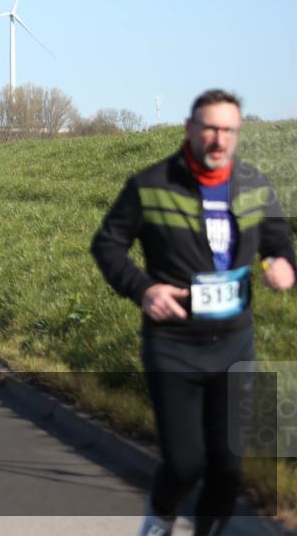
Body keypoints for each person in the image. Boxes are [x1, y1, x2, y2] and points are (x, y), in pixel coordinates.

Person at [91, 89, 295, 536]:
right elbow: (107, 245)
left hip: (235, 342)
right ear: (190, 129)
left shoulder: (254, 185)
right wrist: (143, 289)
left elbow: (279, 243)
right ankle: (162, 511)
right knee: (185, 463)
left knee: (227, 469)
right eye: (210, 128)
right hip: (173, 344)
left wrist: (283, 265)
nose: (219, 139)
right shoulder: (152, 185)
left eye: (228, 130)